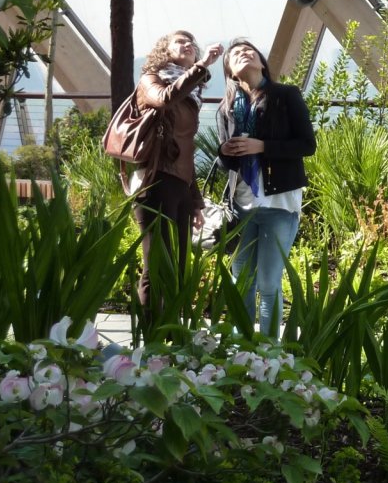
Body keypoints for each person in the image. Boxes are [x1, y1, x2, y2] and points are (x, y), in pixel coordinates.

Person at [215, 38, 315, 337]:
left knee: (269, 284)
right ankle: (242, 348)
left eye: (249, 51)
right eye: (235, 54)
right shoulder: (227, 107)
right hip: (241, 204)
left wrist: (263, 146)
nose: (244, 53)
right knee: (241, 280)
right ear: (231, 71)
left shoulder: (286, 95)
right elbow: (223, 162)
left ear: (261, 63)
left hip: (278, 204)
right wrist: (226, 152)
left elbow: (307, 145)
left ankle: (269, 355)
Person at [133, 30, 223, 331]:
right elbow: (163, 99)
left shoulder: (192, 95)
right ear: (165, 50)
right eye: (179, 42)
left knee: (178, 266)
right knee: (157, 264)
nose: (187, 45)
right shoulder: (152, 80)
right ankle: (150, 337)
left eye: (191, 44)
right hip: (155, 180)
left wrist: (196, 201)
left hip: (180, 184)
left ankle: (171, 334)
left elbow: (185, 149)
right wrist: (202, 67)